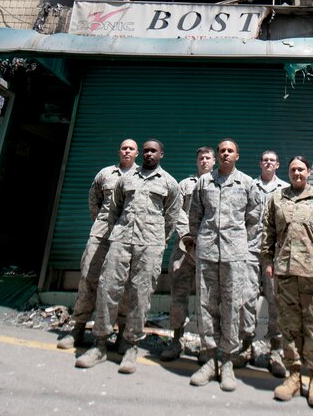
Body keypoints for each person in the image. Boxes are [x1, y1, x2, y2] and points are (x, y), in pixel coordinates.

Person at [75, 139, 180, 374]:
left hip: (149, 245)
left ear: (161, 154)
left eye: (153, 151)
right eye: (146, 150)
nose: (149, 154)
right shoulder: (126, 179)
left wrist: (158, 241)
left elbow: (171, 216)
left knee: (140, 295)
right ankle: (100, 344)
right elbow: (114, 209)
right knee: (107, 288)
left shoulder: (169, 183)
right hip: (121, 241)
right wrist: (117, 233)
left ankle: (131, 346)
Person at [261, 156, 313, 409]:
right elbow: (267, 232)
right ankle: (294, 376)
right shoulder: (277, 199)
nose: (297, 173)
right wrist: (267, 261)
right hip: (285, 274)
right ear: (289, 173)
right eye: (293, 170)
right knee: (289, 327)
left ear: (309, 172)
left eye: (301, 169)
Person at [188, 138, 261, 392]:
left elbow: (255, 218)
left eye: (230, 151)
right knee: (206, 305)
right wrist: (200, 242)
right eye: (222, 151)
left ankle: (228, 361)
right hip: (207, 252)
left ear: (237, 156)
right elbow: (194, 216)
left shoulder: (247, 183)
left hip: (235, 254)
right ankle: (209, 360)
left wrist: (242, 244)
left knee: (232, 306)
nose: (226, 154)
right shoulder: (204, 182)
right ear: (217, 155)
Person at [57, 139, 139, 350]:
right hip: (101, 233)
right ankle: (78, 328)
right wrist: (102, 221)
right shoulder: (105, 174)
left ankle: (121, 332)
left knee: (123, 284)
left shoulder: (142, 177)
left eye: (131, 148)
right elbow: (93, 199)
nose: (127, 151)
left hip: (126, 235)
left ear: (137, 153)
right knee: (88, 278)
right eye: (124, 147)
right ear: (119, 151)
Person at [161, 146, 216, 362]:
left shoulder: (218, 184)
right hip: (184, 249)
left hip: (209, 249)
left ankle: (206, 346)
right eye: (201, 158)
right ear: (197, 161)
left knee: (208, 299)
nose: (204, 161)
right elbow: (177, 212)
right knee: (179, 295)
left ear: (214, 161)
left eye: (208, 158)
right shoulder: (185, 184)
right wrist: (188, 237)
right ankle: (176, 341)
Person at [236, 150, 289, 377]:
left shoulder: (286, 189)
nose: (268, 163)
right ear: (260, 163)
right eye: (264, 160)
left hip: (275, 254)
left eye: (272, 160)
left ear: (277, 165)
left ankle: (275, 352)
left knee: (276, 300)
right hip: (250, 249)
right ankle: (245, 346)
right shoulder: (249, 185)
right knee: (246, 298)